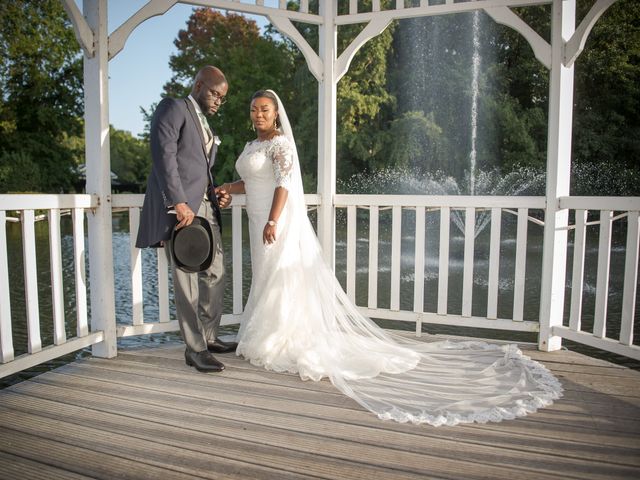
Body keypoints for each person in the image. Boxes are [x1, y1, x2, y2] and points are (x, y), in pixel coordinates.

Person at [221, 90, 563, 426]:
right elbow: (252, 180)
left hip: (275, 220)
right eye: (254, 110)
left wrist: (273, 220)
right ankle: (268, 332)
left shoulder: (281, 144)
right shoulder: (254, 146)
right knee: (268, 276)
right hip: (256, 218)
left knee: (283, 275)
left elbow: (283, 183)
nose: (258, 115)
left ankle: (282, 337)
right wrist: (227, 187)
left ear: (276, 113)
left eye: (264, 109)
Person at [136, 66, 237, 373]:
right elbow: (164, 154)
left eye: (222, 97)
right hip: (182, 209)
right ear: (198, 86)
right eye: (214, 93)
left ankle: (208, 336)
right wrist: (178, 201)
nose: (218, 101)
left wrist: (216, 192)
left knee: (216, 273)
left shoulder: (205, 122)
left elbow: (197, 167)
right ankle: (195, 349)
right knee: (187, 280)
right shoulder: (174, 107)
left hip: (206, 207)